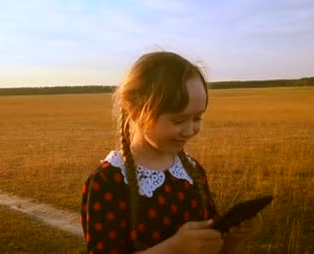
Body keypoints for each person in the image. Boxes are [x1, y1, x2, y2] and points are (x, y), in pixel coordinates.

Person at [80, 51, 262, 253]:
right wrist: (174, 248)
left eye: (197, 118)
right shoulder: (108, 182)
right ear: (135, 110)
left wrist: (233, 239)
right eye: (178, 120)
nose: (190, 130)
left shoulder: (193, 172)